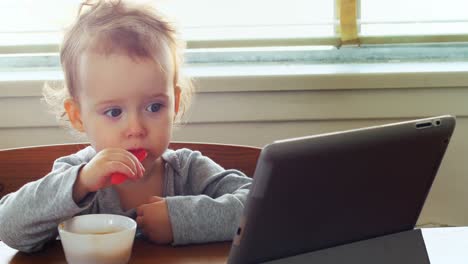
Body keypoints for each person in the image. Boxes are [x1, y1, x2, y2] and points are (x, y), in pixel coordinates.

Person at [0, 0, 252, 253]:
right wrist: (81, 184)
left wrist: (182, 219)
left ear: (174, 104)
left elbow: (263, 206)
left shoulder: (187, 171)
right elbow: (7, 227)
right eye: (114, 112)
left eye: (154, 107)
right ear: (78, 116)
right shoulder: (75, 176)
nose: (136, 128)